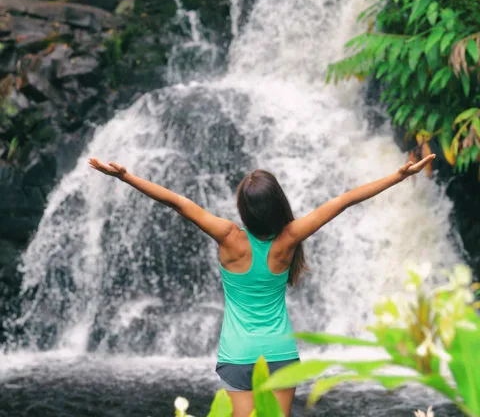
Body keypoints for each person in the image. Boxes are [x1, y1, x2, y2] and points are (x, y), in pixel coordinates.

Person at [88, 153, 436, 417]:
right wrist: (397, 176)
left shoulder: (227, 237)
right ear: (278, 204)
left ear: (245, 209)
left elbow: (177, 202)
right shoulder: (290, 238)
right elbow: (343, 200)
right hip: (280, 353)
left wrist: (126, 176)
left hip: (238, 355)